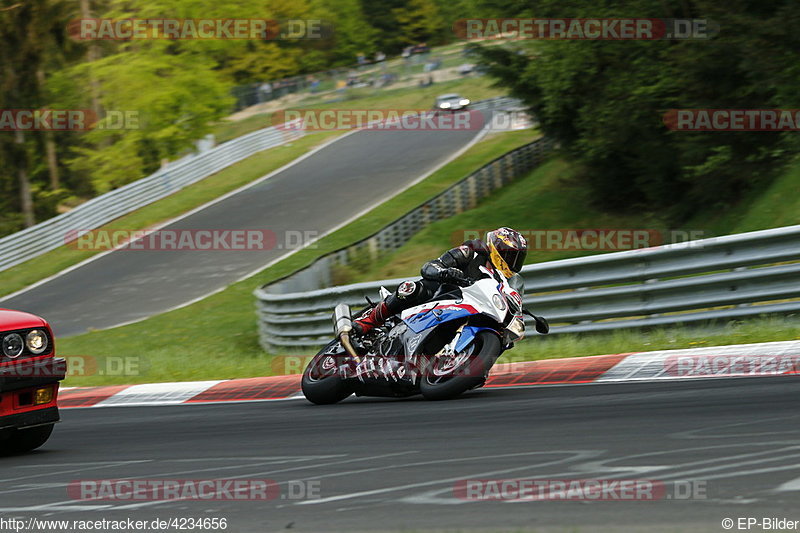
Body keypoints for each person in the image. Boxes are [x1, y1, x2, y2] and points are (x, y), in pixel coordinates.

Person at [352, 227, 528, 335]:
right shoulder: (471, 252)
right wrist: (446, 273)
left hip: (467, 310)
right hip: (439, 295)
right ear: (497, 247)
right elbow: (430, 266)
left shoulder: (502, 281)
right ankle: (368, 321)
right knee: (411, 288)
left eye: (517, 258)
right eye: (510, 255)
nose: (513, 262)